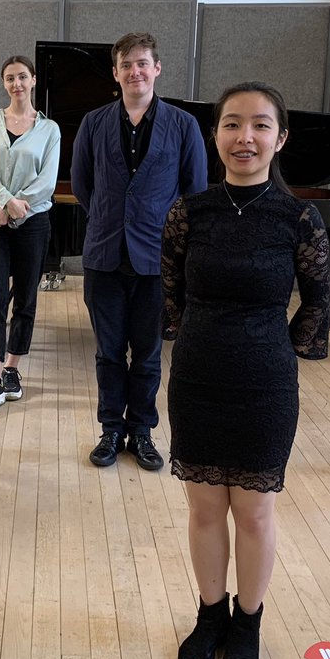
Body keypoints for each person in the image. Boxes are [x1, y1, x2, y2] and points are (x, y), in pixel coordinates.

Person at [162, 81, 330, 659]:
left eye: (260, 125)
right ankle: (209, 616)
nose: (245, 137)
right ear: (215, 135)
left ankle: (247, 621)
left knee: (254, 512)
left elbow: (317, 301)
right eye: (232, 124)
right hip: (199, 375)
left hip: (265, 382)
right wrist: (200, 334)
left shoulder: (298, 217)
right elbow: (172, 289)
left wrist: (274, 349)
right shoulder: (191, 211)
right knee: (205, 507)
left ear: (279, 138)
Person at [71, 32, 207, 471]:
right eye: (127, 65)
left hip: (158, 260)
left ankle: (142, 431)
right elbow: (82, 185)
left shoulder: (183, 125)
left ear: (157, 69)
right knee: (108, 353)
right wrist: (111, 219)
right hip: (105, 256)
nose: (135, 71)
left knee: (148, 355)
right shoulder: (93, 123)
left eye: (143, 63)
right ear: (116, 73)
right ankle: (111, 430)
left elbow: (195, 193)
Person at [0, 55, 61, 416]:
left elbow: (47, 182)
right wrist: (5, 204)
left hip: (33, 222)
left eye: (22, 77)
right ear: (4, 83)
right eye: (10, 78)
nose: (16, 84)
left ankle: (12, 370)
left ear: (34, 80)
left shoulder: (49, 129)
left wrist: (12, 208)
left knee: (25, 299)